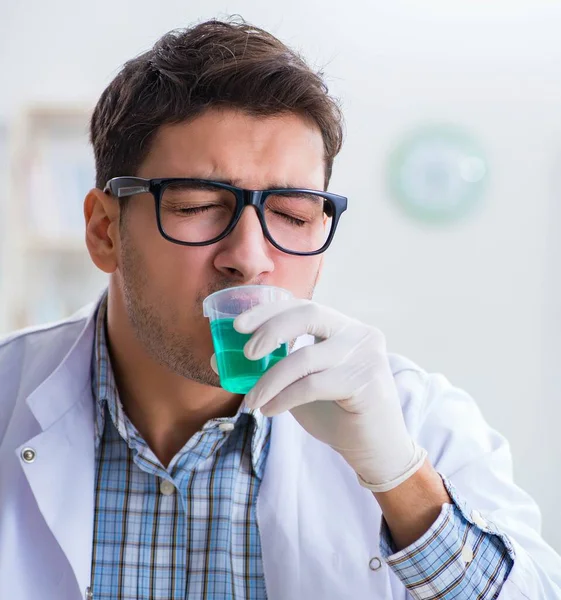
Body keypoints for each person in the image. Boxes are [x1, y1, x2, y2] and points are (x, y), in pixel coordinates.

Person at [0, 17, 560, 600]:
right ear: (104, 231)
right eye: (197, 205)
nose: (249, 257)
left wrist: (400, 481)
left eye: (292, 215)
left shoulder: (418, 424)